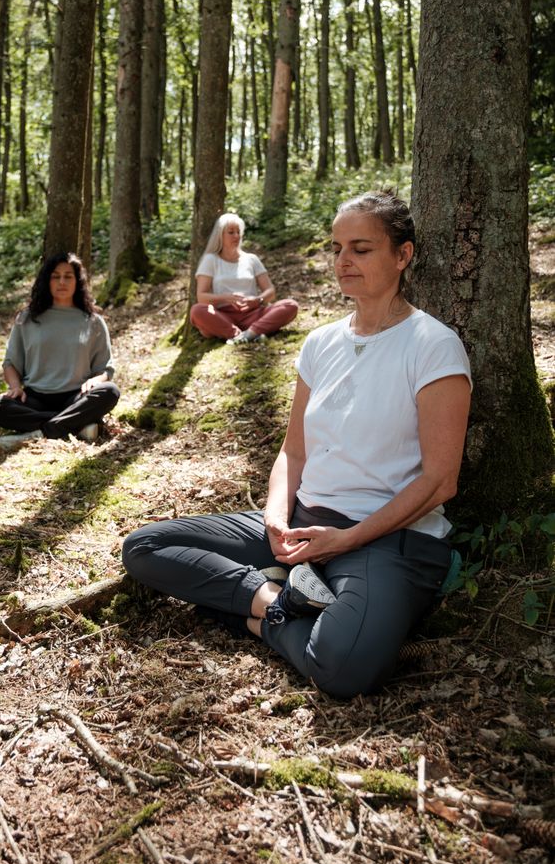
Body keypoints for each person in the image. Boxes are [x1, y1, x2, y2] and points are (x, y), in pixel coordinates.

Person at [123, 191, 472, 698]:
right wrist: (276, 518)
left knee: (344, 668)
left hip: (386, 538)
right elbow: (293, 452)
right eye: (335, 248)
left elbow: (441, 480)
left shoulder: (433, 345)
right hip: (304, 522)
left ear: (403, 255)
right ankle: (275, 599)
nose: (342, 261)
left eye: (361, 248)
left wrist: (347, 540)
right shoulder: (320, 343)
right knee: (146, 546)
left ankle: (255, 617)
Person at [0, 252, 119, 451]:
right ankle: (75, 426)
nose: (62, 281)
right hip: (34, 399)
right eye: (55, 276)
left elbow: (105, 369)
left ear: (78, 281)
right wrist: (14, 386)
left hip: (75, 397)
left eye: (68, 276)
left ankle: (40, 432)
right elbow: (10, 363)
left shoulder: (93, 321)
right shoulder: (27, 319)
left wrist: (96, 380)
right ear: (47, 281)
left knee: (110, 391)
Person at [190, 212, 298, 344]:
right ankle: (238, 335)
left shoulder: (251, 259)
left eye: (238, 232)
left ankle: (251, 333)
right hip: (224, 316)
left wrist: (258, 300)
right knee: (197, 311)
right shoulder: (210, 260)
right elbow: (201, 296)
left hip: (254, 314)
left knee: (290, 305)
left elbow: (270, 291)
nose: (236, 236)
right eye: (231, 232)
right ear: (220, 235)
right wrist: (226, 298)